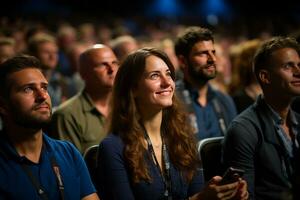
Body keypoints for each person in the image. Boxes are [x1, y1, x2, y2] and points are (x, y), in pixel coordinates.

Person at [95, 47, 248, 200]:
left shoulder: (183, 138)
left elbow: (196, 193)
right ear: (133, 89)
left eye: (168, 74)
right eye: (155, 75)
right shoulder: (112, 148)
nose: (167, 82)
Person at [0, 55, 99, 199]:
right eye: (28, 89)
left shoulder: (68, 152)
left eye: (44, 87)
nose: (42, 96)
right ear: (3, 105)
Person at [222, 37, 300, 200]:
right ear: (265, 77)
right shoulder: (242, 130)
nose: (298, 72)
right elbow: (245, 196)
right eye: (288, 66)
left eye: (299, 65)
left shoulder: (297, 120)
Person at [48, 44, 119, 154]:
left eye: (114, 63)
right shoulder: (67, 115)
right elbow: (71, 165)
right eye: (103, 65)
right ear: (83, 73)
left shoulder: (126, 105)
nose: (112, 70)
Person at [174, 26, 237, 140]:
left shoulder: (224, 100)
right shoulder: (172, 100)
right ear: (183, 61)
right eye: (203, 53)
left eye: (213, 52)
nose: (212, 59)